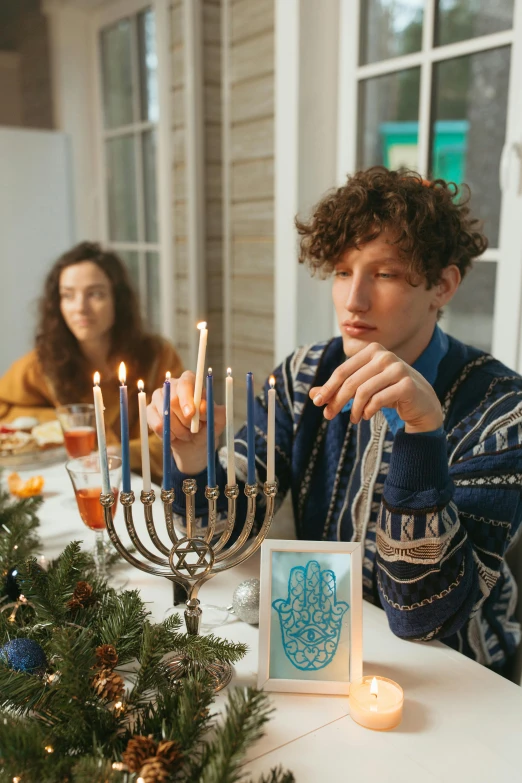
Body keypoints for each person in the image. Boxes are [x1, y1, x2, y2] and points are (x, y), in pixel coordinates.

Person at [147, 167, 522, 675]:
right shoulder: (304, 375)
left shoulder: (502, 411)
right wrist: (191, 457)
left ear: (443, 286)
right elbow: (219, 537)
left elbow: (426, 616)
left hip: (460, 681)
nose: (353, 300)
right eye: (343, 271)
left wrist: (421, 432)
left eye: (384, 274)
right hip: (322, 651)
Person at [0, 241, 182, 483]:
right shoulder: (44, 362)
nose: (80, 308)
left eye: (95, 294)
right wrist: (61, 421)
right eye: (68, 295)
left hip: (151, 492)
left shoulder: (157, 356)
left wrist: (123, 454)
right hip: (80, 485)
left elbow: (181, 439)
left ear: (117, 299)